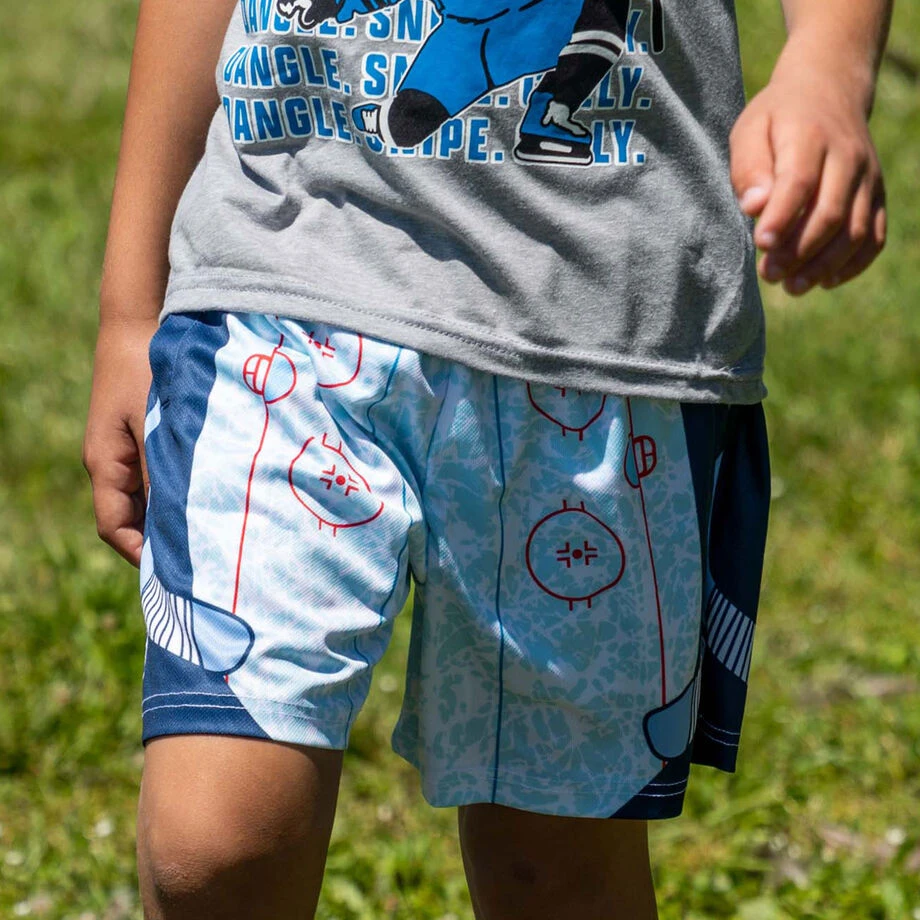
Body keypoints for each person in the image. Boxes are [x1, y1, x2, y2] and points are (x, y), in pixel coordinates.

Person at [83, 0, 891, 915]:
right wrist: (129, 310)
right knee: (214, 848)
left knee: (555, 871)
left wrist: (828, 66)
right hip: (281, 272)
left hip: (601, 328)